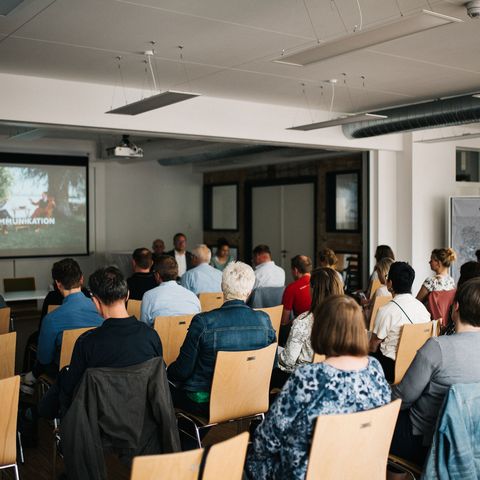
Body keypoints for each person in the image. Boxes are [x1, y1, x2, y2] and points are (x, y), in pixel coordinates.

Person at [246, 295, 391, 480]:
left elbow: (267, 440)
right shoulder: (375, 369)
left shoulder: (308, 378)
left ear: (322, 330)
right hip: (358, 469)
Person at [43, 266, 164, 417]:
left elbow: (71, 392)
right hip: (143, 424)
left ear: (95, 301)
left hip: (99, 426)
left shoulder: (87, 343)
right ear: (127, 295)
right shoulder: (151, 336)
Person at [389, 278, 480, 474]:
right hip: (471, 443)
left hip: (425, 440)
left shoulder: (437, 347)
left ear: (456, 307)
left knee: (384, 421)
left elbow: (401, 400)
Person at [168, 261, 276, 416]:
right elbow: (271, 366)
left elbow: (182, 371)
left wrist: (166, 371)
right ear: (250, 291)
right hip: (250, 396)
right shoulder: (264, 320)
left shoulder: (203, 322)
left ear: (222, 287)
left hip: (206, 401)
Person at [31, 258, 104, 380]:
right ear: (81, 279)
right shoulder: (101, 310)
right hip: (97, 373)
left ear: (58, 284)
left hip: (66, 378)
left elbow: (44, 358)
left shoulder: (51, 319)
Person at [272, 267, 344, 388]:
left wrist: (275, 357)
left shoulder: (304, 321)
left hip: (307, 380)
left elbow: (288, 361)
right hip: (337, 377)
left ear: (314, 290)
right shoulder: (348, 320)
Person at [369, 262, 431, 382]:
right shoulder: (423, 309)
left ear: (390, 283)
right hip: (418, 367)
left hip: (392, 368)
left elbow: (372, 346)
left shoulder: (386, 310)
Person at [141, 255, 201, 327]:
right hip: (188, 337)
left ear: (157, 275)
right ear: (176, 273)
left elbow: (144, 326)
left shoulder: (148, 296)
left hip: (161, 338)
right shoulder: (193, 296)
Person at [280, 255, 312, 327]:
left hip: (301, 328)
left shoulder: (291, 288)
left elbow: (284, 321)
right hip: (320, 328)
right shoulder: (320, 283)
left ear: (296, 270)